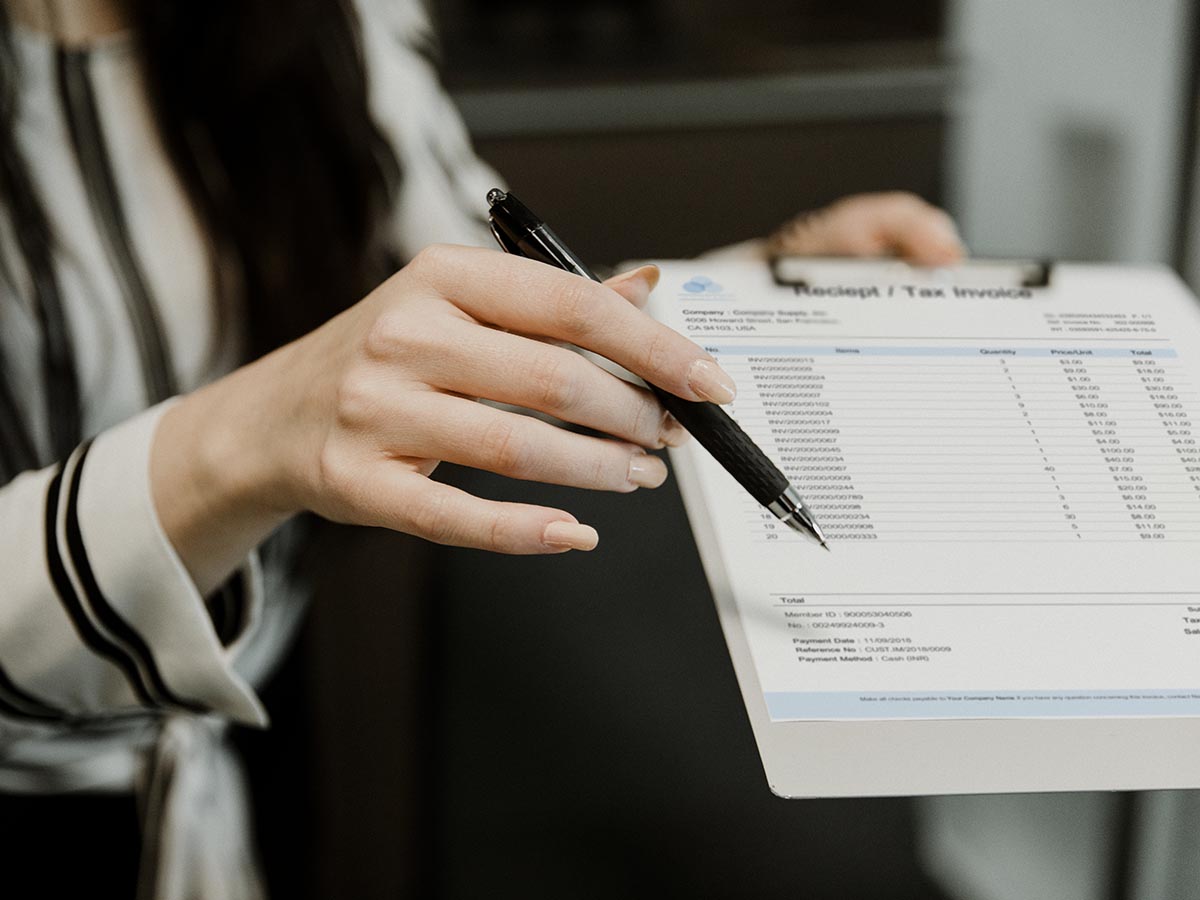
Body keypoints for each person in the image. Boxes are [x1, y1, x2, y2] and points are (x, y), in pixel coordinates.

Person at [0, 0, 965, 897]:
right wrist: (252, 433)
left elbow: (490, 299)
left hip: (235, 751)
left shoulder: (332, 17)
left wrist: (752, 295)